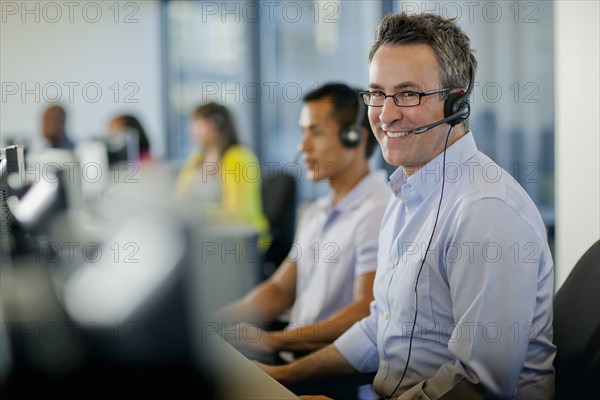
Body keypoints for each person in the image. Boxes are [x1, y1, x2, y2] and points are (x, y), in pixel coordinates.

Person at [257, 13, 555, 400]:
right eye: (377, 93)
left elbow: (478, 385)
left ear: (456, 104)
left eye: (408, 94)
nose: (385, 114)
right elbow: (381, 325)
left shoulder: (485, 210)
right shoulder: (404, 196)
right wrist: (284, 377)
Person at [216, 83, 391, 364]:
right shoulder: (317, 211)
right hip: (291, 356)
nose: (303, 146)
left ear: (353, 138)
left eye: (315, 132)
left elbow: (366, 311)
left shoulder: (377, 210)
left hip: (325, 372)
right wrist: (214, 323)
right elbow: (280, 289)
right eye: (303, 132)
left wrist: (275, 340)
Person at [175, 102, 270, 249]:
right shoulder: (196, 159)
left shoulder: (239, 158)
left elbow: (236, 213)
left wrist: (195, 212)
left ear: (215, 124)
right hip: (205, 237)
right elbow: (179, 199)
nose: (191, 129)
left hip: (239, 241)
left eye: (197, 123)